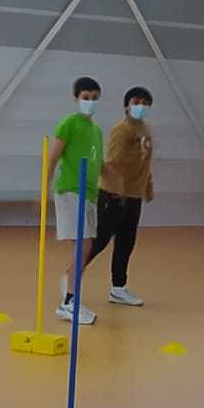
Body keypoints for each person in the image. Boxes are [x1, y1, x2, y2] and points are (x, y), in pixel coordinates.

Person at [82, 85, 155, 307]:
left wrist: (147, 187)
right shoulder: (121, 130)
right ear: (126, 106)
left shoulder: (146, 130)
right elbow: (112, 162)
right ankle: (71, 278)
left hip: (134, 195)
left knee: (126, 242)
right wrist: (117, 191)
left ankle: (118, 288)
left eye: (145, 103)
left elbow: (145, 163)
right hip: (114, 194)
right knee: (100, 241)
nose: (140, 107)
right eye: (136, 102)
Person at [45, 77, 105, 326]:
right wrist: (44, 188)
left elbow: (99, 163)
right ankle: (69, 302)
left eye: (94, 98)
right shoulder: (69, 124)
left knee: (87, 246)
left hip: (90, 194)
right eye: (85, 97)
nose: (90, 102)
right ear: (76, 98)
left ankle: (70, 292)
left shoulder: (96, 130)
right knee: (83, 245)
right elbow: (53, 157)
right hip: (71, 189)